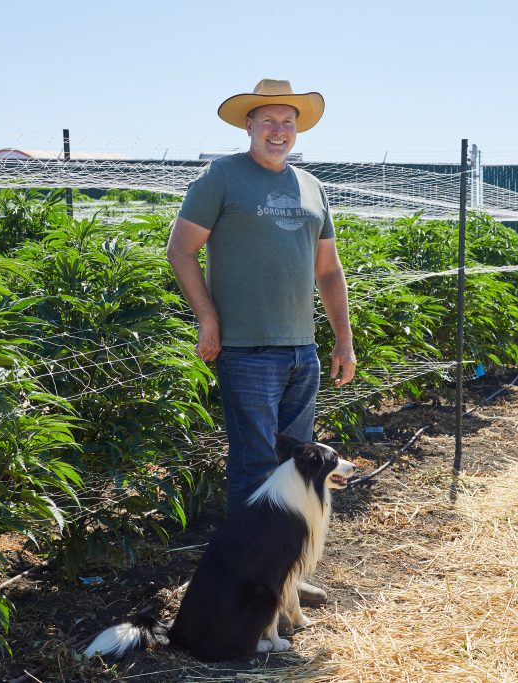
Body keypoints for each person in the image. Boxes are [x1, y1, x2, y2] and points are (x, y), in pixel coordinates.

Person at [166, 79, 355, 605]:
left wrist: (343, 339)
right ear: (248, 125)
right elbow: (180, 250)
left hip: (302, 350)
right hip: (248, 351)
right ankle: (246, 590)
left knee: (296, 472)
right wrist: (208, 318)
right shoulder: (221, 176)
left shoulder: (311, 186)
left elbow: (329, 270)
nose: (279, 131)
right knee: (253, 468)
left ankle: (283, 580)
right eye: (268, 121)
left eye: (287, 122)